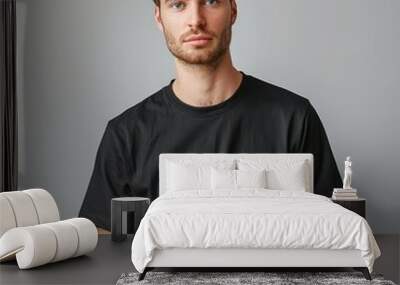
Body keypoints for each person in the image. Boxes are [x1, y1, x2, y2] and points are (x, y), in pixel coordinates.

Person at [79, 0, 342, 231]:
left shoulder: (294, 119)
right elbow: (101, 239)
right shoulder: (125, 134)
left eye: (211, 0)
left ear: (233, 10)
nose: (195, 20)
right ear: (159, 17)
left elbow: (336, 227)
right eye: (178, 4)